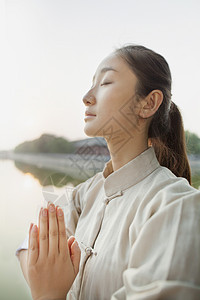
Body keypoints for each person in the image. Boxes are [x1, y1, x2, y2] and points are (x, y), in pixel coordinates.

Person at [16, 44, 200, 300]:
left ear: (148, 104)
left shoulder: (175, 204)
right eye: (92, 82)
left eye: (105, 82)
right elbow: (26, 245)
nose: (87, 96)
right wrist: (44, 274)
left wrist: (48, 293)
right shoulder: (84, 192)